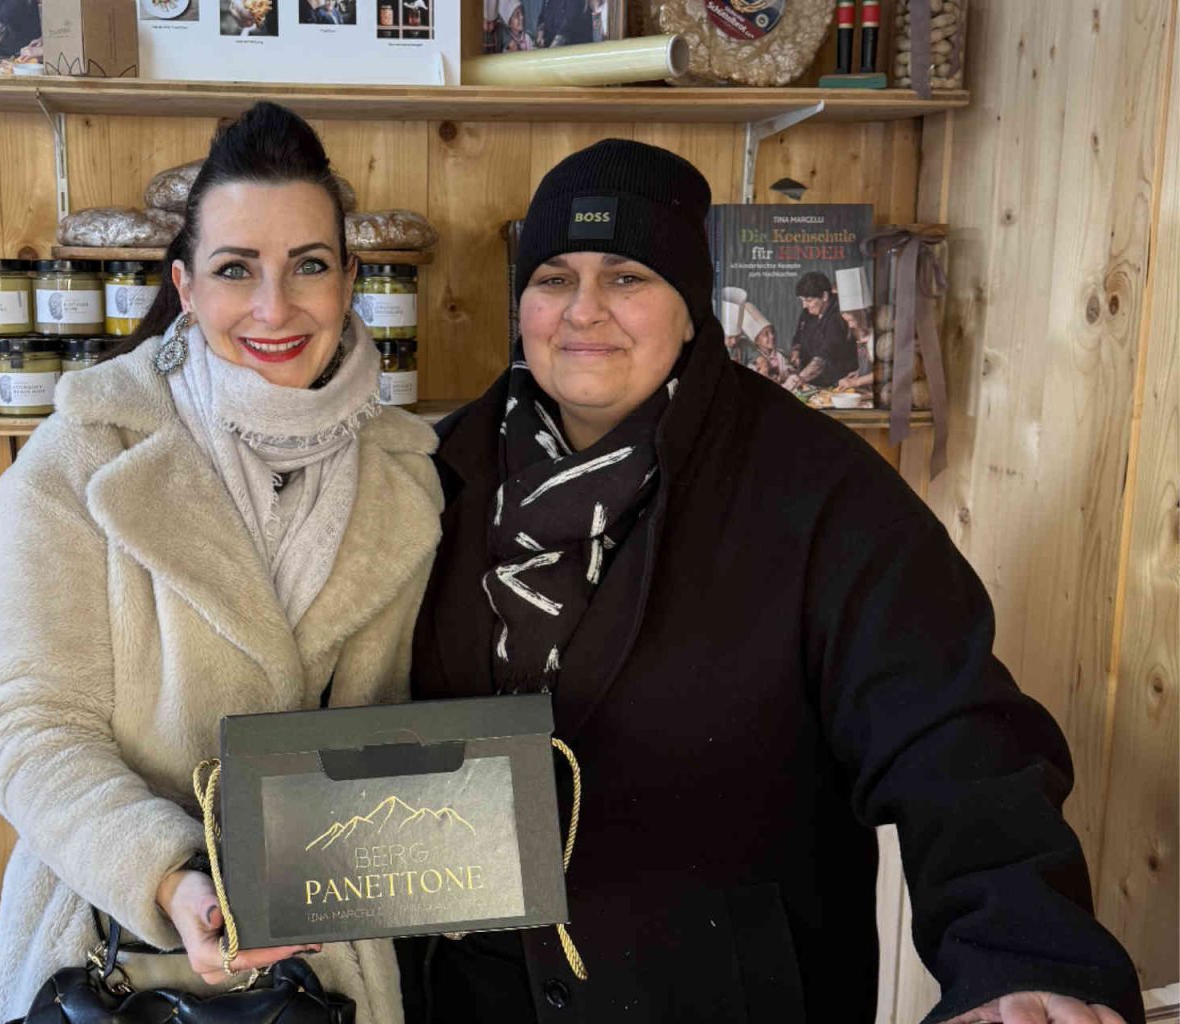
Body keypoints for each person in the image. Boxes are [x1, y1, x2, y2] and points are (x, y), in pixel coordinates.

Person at [400, 139, 1143, 1024]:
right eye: (554, 277)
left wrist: (1024, 952)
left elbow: (954, 737)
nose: (583, 311)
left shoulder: (820, 491)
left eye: (628, 277)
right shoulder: (428, 479)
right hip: (466, 1001)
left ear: (691, 306)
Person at [0, 102, 440, 1024]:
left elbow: (393, 730)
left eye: (308, 265)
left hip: (327, 961)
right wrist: (170, 873)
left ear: (349, 280)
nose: (275, 307)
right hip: (113, 943)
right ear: (185, 286)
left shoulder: (408, 473)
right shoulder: (81, 459)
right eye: (236, 270)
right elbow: (28, 727)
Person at [783, 270, 856, 389]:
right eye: (802, 300)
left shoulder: (838, 316)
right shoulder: (808, 312)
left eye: (809, 300)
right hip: (812, 382)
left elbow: (824, 357)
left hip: (838, 384)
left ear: (825, 296)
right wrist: (796, 353)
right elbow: (798, 337)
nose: (804, 305)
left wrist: (799, 378)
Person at [834, 306, 876, 394]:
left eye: (851, 320)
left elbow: (885, 371)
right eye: (847, 321)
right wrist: (860, 372)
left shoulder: (877, 337)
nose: (850, 325)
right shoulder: (859, 333)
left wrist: (856, 382)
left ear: (862, 316)